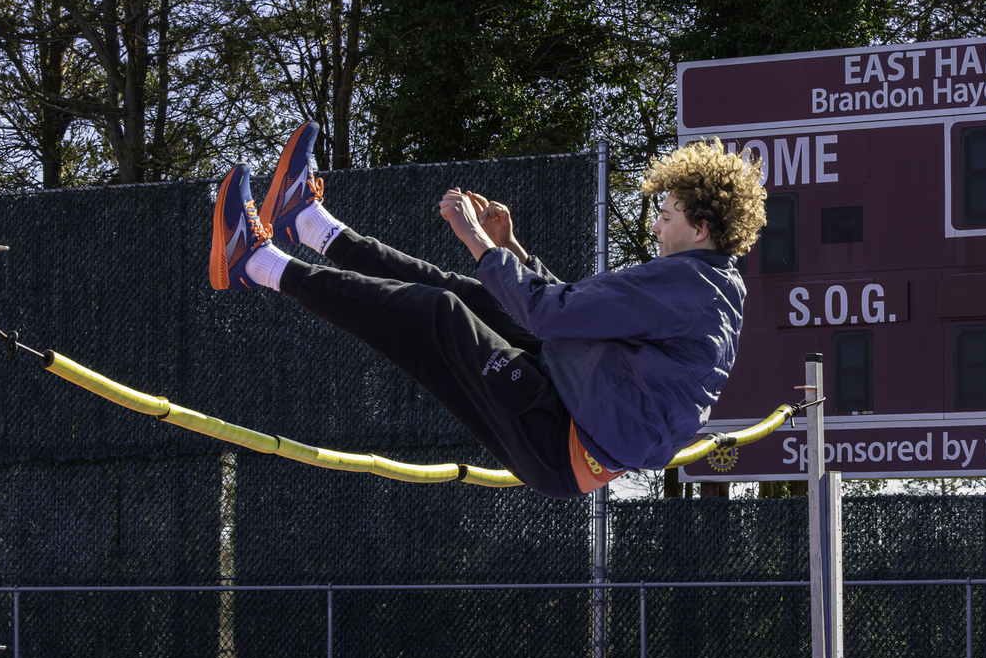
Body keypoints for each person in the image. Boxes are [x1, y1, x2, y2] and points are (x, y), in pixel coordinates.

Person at [208, 123, 767, 499]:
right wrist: (513, 252)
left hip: (562, 441)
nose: (655, 226)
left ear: (701, 228)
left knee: (440, 315)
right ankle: (308, 221)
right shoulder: (701, 284)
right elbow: (576, 317)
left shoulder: (690, 290)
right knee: (472, 295)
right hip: (569, 394)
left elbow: (550, 315)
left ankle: (256, 261)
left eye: (666, 217)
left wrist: (481, 242)